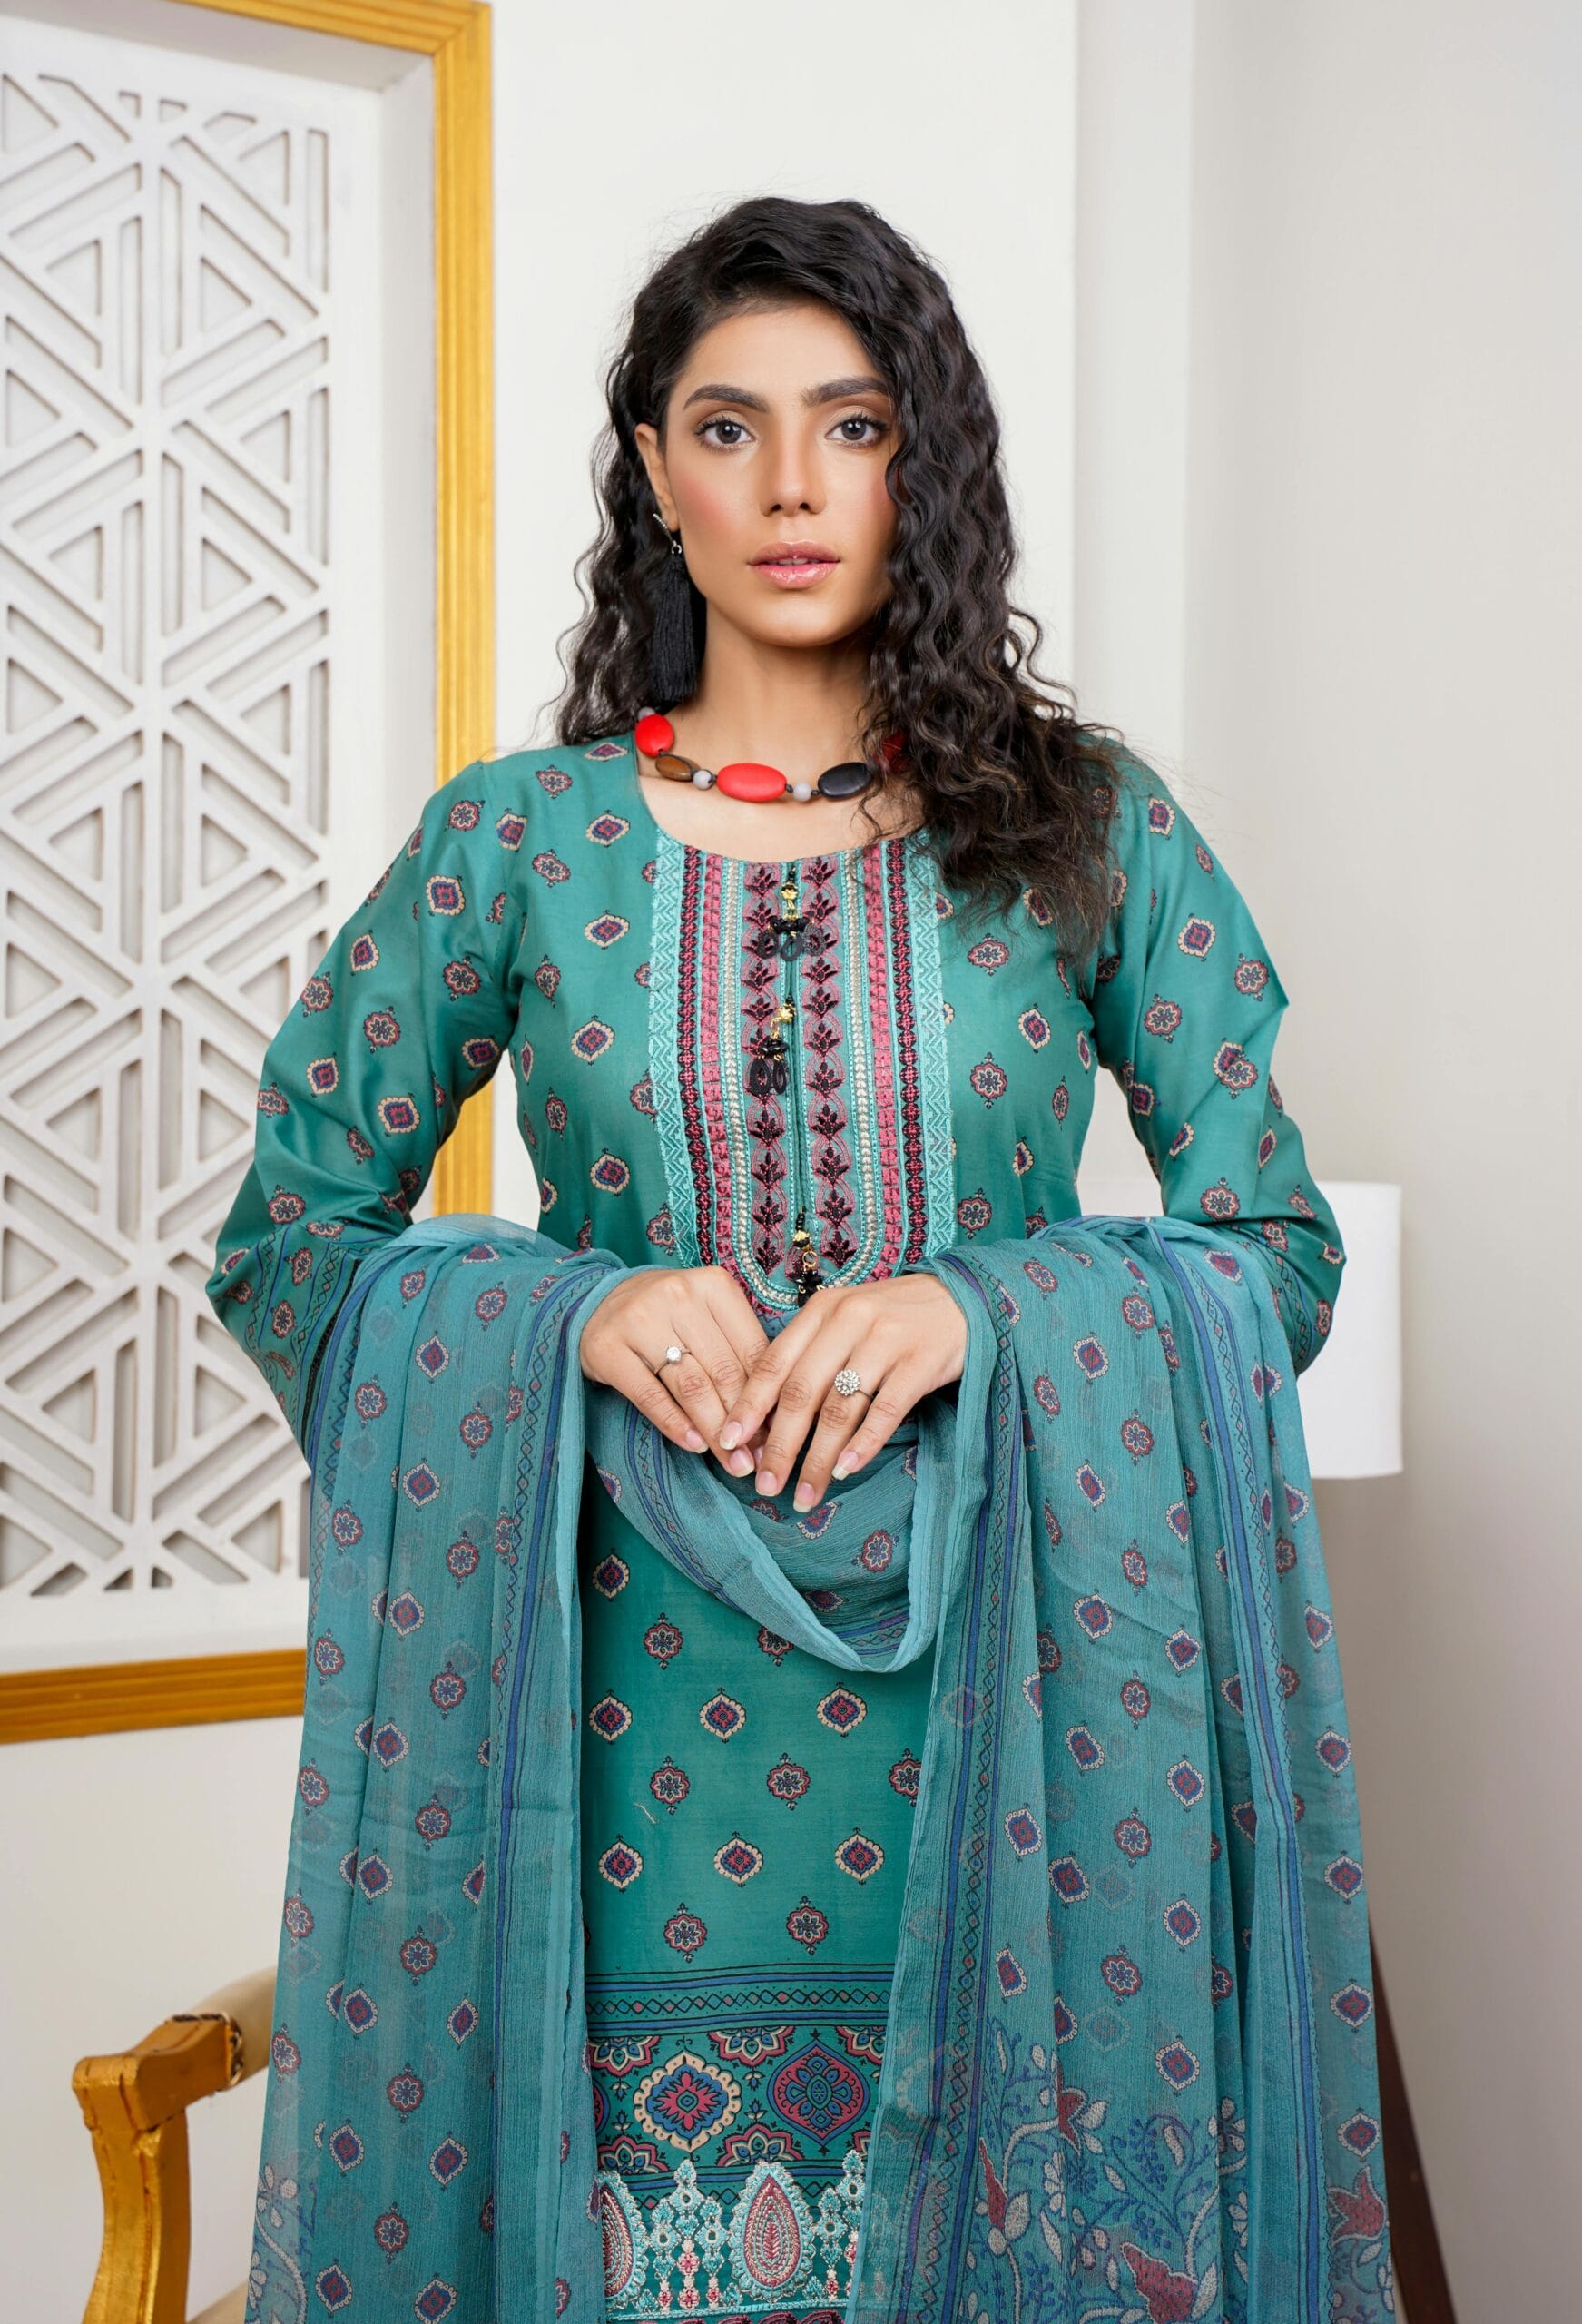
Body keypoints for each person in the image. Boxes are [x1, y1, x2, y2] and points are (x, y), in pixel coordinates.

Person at [210, 197, 1386, 2324]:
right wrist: (561, 1307)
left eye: (848, 427)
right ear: (651, 465)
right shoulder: (519, 838)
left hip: (1028, 1740)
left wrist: (990, 1304)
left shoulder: (1083, 826)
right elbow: (291, 1240)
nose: (784, 487)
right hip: (607, 1756)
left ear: (917, 461)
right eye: (727, 427)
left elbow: (1269, 1245)